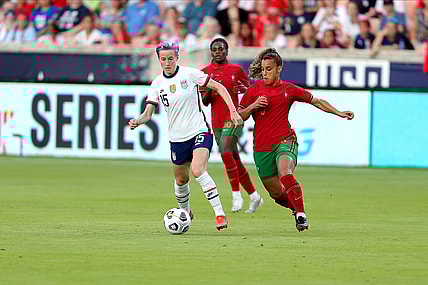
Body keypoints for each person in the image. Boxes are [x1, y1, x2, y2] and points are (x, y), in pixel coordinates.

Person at [128, 41, 244, 231]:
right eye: (163, 59)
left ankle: (220, 214)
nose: (167, 62)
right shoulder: (157, 83)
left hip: (199, 131)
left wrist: (233, 111)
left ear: (177, 57)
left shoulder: (190, 74)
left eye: (170, 58)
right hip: (177, 138)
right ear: (159, 60)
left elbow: (220, 88)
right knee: (181, 180)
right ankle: (185, 213)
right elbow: (148, 113)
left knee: (198, 170)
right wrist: (138, 121)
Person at [237, 48, 354, 231]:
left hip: (285, 140)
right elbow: (239, 117)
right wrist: (253, 106)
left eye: (269, 69)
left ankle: (301, 215)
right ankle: (296, 208)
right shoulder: (254, 90)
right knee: (276, 193)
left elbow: (316, 101)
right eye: (263, 69)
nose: (265, 73)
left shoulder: (289, 90)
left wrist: (339, 112)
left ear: (279, 69)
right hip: (262, 147)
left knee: (285, 172)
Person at [200, 38, 263, 213]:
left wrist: (245, 98)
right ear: (211, 52)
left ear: (227, 51)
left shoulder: (236, 70)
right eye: (215, 49)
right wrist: (211, 87)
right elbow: (205, 102)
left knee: (226, 151)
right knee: (233, 158)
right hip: (217, 121)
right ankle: (254, 195)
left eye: (221, 48)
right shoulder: (204, 73)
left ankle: (236, 195)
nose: (218, 51)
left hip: (234, 117)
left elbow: (248, 90)